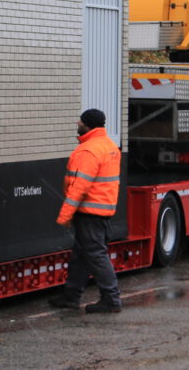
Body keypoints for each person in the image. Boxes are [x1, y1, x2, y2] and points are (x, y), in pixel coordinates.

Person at [48, 108, 122, 313]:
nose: (77, 124)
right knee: (82, 255)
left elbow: (79, 187)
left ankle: (111, 299)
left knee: (96, 256)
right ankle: (71, 295)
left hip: (89, 212)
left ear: (87, 125)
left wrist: (65, 215)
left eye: (80, 122)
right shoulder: (109, 146)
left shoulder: (88, 151)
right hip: (102, 211)